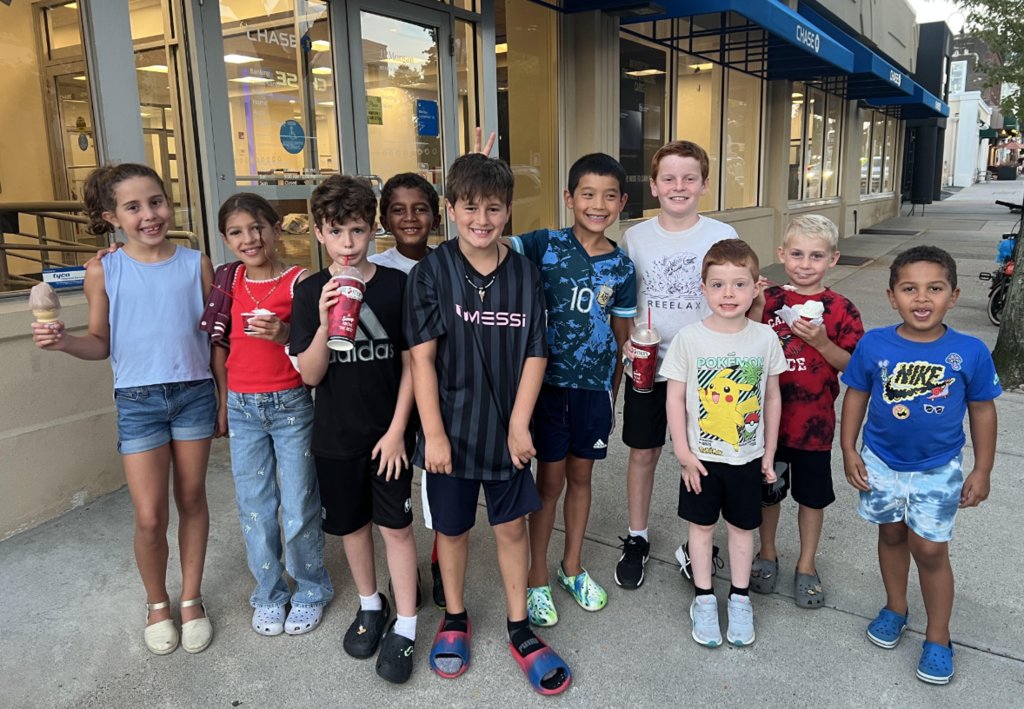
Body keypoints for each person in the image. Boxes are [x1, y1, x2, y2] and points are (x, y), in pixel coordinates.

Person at [31, 163, 216, 655]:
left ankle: (192, 597)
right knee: (151, 515)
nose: (149, 214)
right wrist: (65, 342)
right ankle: (158, 602)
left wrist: (224, 396)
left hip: (194, 393)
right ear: (112, 217)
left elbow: (216, 336)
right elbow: (100, 343)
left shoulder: (195, 263)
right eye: (133, 207)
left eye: (156, 201)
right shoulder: (104, 268)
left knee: (193, 499)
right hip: (138, 401)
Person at [405, 153, 572, 695]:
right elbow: (422, 361)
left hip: (506, 433)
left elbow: (535, 353)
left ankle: (519, 626)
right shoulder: (431, 273)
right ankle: (454, 617)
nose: (482, 219)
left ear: (508, 212)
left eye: (494, 208)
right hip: (449, 434)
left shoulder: (526, 275)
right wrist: (432, 434)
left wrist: (521, 424)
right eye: (470, 207)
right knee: (451, 531)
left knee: (510, 528)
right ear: (449, 209)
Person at [841, 245, 1000, 685]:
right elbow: (856, 394)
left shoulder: (968, 351)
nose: (922, 298)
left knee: (930, 549)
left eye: (935, 288)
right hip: (881, 461)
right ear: (892, 296)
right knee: (891, 533)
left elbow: (983, 411)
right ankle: (895, 607)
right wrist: (849, 449)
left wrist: (982, 469)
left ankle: (938, 635)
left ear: (954, 294)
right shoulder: (875, 343)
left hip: (937, 467)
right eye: (910, 288)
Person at [290, 175, 419, 684]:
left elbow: (414, 364)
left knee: (398, 527)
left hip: (388, 433)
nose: (348, 243)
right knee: (351, 525)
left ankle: (406, 622)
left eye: (359, 231)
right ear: (320, 232)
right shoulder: (306, 292)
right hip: (336, 435)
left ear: (374, 231)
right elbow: (310, 374)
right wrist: (324, 321)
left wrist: (396, 430)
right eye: (337, 231)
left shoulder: (396, 285)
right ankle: (371, 603)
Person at [508, 153, 636, 626]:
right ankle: (536, 574)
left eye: (608, 196)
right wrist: (481, 180)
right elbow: (485, 243)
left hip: (593, 392)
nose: (597, 204)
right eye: (587, 193)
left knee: (582, 478)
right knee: (550, 482)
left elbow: (623, 342)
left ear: (622, 202)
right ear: (569, 197)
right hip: (544, 387)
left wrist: (615, 395)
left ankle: (571, 567)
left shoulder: (623, 268)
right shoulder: (542, 245)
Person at [209, 193, 332, 637]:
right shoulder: (228, 280)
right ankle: (268, 592)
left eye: (258, 227)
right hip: (243, 406)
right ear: (226, 239)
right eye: (237, 232)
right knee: (256, 507)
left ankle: (311, 588)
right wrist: (223, 402)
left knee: (300, 503)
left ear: (277, 229)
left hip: (291, 403)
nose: (250, 238)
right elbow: (220, 347)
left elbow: (311, 342)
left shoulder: (301, 281)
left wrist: (282, 332)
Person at [616, 140, 738, 589]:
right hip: (650, 367)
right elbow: (625, 303)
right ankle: (637, 535)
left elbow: (738, 295)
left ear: (705, 184)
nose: (679, 186)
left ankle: (697, 542)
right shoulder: (636, 237)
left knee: (705, 460)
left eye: (690, 178)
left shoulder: (722, 235)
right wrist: (624, 343)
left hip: (707, 371)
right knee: (643, 452)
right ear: (653, 185)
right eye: (669, 178)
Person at [662, 239, 786, 648]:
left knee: (741, 530)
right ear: (703, 289)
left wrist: (768, 453)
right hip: (701, 460)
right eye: (717, 285)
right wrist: (682, 452)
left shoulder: (765, 338)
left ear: (755, 288)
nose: (728, 294)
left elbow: (771, 397)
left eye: (738, 284)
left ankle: (739, 598)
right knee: (700, 529)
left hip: (747, 459)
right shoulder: (689, 339)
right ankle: (702, 598)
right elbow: (674, 398)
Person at [746, 215, 864, 606]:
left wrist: (824, 343)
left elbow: (854, 366)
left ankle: (807, 564)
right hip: (768, 426)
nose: (804, 263)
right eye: (796, 254)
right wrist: (758, 303)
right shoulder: (772, 300)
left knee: (812, 499)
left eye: (816, 256)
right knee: (768, 495)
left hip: (814, 427)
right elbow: (743, 342)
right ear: (781, 254)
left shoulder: (841, 309)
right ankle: (767, 554)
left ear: (833, 259)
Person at [368, 172, 448, 610]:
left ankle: (440, 558)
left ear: (436, 216)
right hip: (394, 396)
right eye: (398, 209)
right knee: (396, 491)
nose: (410, 217)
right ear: (384, 218)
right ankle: (405, 570)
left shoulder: (449, 263)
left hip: (440, 393)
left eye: (420, 208)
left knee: (439, 483)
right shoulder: (379, 270)